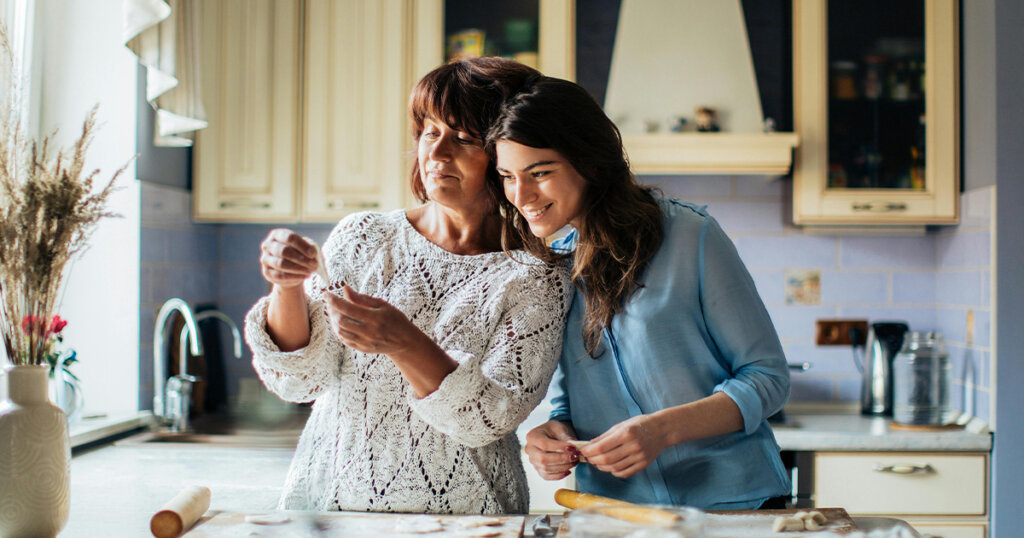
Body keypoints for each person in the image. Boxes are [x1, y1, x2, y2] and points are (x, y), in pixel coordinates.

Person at [244, 58, 571, 514]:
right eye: (429, 132)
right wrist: (287, 287)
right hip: (331, 508)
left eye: (462, 139)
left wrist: (404, 343)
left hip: (469, 518)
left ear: (505, 153)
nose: (436, 155)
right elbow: (300, 380)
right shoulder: (364, 237)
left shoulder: (536, 274)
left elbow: (488, 418)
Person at [486, 77, 791, 510]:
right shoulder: (549, 266)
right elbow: (568, 398)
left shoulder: (691, 235)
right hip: (616, 513)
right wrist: (552, 433)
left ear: (588, 161)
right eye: (507, 177)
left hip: (734, 505)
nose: (521, 195)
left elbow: (768, 378)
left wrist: (661, 431)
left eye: (540, 173)